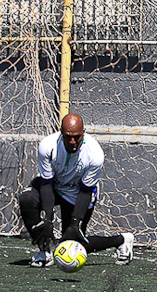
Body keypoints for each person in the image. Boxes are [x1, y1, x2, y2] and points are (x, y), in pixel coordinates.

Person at [17, 113, 134, 267]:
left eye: (77, 137)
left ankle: (122, 240)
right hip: (54, 187)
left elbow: (86, 191)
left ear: (83, 132)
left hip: (77, 194)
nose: (72, 142)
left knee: (69, 247)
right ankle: (44, 252)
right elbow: (46, 184)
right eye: (68, 137)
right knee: (27, 199)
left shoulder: (95, 154)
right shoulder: (47, 146)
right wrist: (47, 218)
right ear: (61, 133)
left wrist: (75, 224)